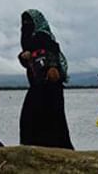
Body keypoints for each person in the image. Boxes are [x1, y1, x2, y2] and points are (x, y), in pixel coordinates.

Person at [18, 9, 73, 149]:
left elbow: (52, 49)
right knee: (34, 117)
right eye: (24, 22)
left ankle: (52, 149)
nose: (25, 25)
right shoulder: (28, 40)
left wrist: (53, 67)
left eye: (29, 22)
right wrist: (23, 56)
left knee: (47, 118)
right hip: (38, 85)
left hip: (50, 85)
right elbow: (27, 63)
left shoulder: (42, 35)